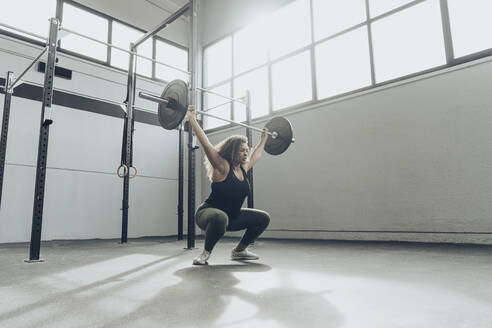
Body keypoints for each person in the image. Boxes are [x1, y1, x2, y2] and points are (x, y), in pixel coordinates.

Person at [187, 105, 271, 265]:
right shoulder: (222, 166)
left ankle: (239, 251)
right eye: (241, 150)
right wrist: (191, 118)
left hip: (231, 217)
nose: (246, 153)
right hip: (208, 214)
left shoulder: (244, 169)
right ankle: (205, 253)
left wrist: (264, 139)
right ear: (232, 152)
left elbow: (257, 155)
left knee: (263, 218)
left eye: (247, 150)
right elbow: (205, 143)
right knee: (220, 217)